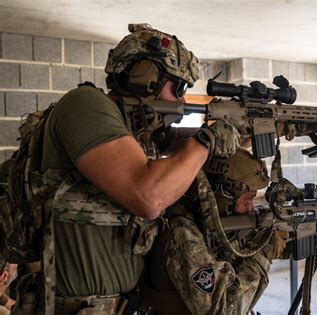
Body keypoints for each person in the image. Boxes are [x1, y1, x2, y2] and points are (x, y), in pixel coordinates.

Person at [12, 23, 241, 314]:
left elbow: (173, 149)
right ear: (146, 76)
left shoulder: (134, 135)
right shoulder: (86, 104)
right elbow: (149, 196)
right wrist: (207, 139)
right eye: (179, 87)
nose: (183, 100)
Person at [140, 148, 288, 315]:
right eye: (247, 199)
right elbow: (223, 310)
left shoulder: (206, 223)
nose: (251, 208)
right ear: (223, 198)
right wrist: (263, 255)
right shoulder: (184, 235)